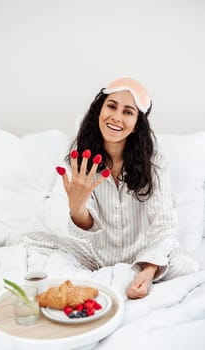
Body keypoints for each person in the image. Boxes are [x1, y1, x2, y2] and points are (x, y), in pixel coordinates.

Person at [56, 77, 199, 299]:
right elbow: (86, 227)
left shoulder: (156, 163)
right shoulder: (81, 161)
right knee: (37, 248)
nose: (117, 117)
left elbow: (165, 221)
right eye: (111, 106)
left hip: (144, 254)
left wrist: (149, 270)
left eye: (128, 112)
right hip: (97, 257)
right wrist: (77, 208)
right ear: (99, 112)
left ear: (136, 125)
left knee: (188, 267)